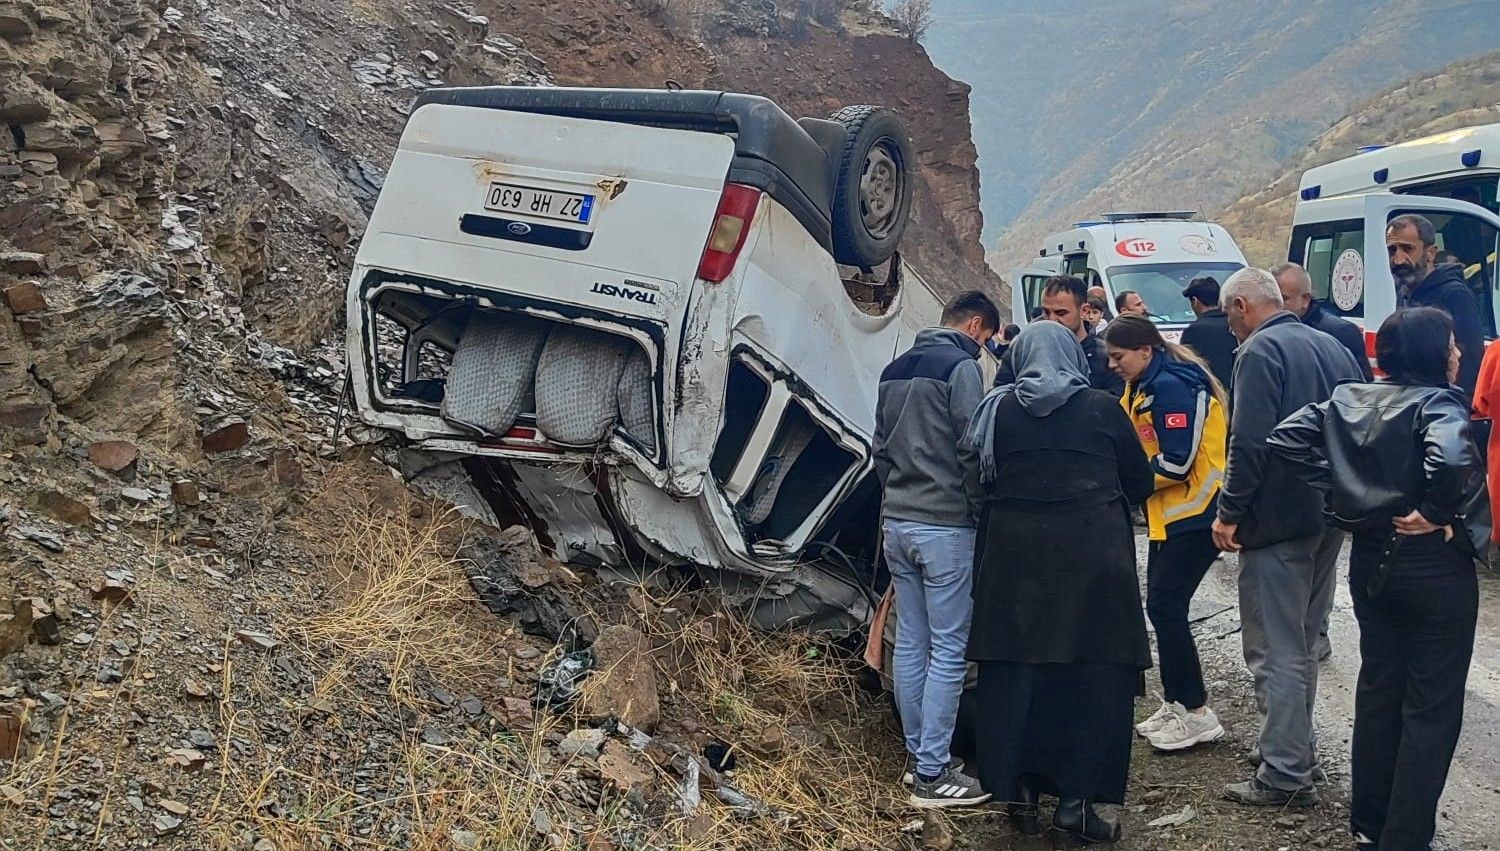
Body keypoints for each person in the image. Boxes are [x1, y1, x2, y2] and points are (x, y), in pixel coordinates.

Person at [1269, 307, 1486, 851]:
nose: (1459, 354)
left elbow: (1285, 438)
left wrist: (1348, 502)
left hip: (1371, 562)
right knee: (1431, 706)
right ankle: (1406, 838)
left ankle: (1370, 824)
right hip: (1431, 566)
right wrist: (1436, 511)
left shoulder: (1348, 397)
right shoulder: (1437, 401)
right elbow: (1454, 460)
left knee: (1379, 690)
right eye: (1453, 344)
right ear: (1435, 353)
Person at [964, 321, 1154, 844]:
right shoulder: (1100, 407)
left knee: (1018, 676)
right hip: (1093, 568)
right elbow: (1140, 482)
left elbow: (977, 481)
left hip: (1013, 564)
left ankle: (1019, 794)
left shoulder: (996, 411)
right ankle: (1077, 804)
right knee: (1090, 680)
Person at [1211, 267, 1364, 807]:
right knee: (1302, 640)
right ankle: (1294, 748)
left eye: (1230, 315)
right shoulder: (1334, 349)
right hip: (1329, 515)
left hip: (1275, 519)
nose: (1231, 327)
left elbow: (1248, 442)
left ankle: (1283, 773)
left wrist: (1230, 511)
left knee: (1273, 646)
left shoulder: (1256, 354)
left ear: (1242, 308)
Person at [873, 290, 998, 808]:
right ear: (974, 326)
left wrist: (894, 496)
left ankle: (917, 757)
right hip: (945, 527)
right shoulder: (960, 368)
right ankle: (933, 772)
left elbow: (878, 447)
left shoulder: (894, 368)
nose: (983, 350)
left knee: (913, 645)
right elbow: (972, 446)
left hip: (897, 522)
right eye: (986, 340)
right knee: (949, 648)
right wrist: (977, 510)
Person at [1102, 316, 1230, 752]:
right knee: (1161, 607)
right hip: (1168, 514)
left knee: (1166, 606)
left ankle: (1195, 710)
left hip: (1196, 513)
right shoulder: (1143, 386)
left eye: (1118, 357)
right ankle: (1178, 701)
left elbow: (1177, 462)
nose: (1113, 365)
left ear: (1145, 350)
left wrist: (1124, 482)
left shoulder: (1174, 386)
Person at [1389, 213, 1483, 400]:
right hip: (1412, 402)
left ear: (1430, 252)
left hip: (1443, 407)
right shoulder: (1404, 291)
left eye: (1407, 249)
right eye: (1392, 250)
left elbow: (1470, 361)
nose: (1398, 259)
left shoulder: (1455, 295)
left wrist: (1456, 409)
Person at [996, 275, 1124, 396]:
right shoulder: (1023, 350)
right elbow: (1001, 393)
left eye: (1061, 313)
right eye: (1046, 312)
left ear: (1084, 311)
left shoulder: (1105, 356)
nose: (1052, 320)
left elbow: (1116, 404)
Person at [1273, 262, 1374, 382]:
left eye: (1283, 299)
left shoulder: (1342, 333)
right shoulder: (1261, 329)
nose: (1274, 306)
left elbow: (1360, 390)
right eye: (1271, 299)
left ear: (1305, 300)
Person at [1179, 275, 1235, 392]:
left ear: (1195, 301)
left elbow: (1186, 369)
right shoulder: (1234, 322)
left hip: (1212, 395)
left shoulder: (1194, 330)